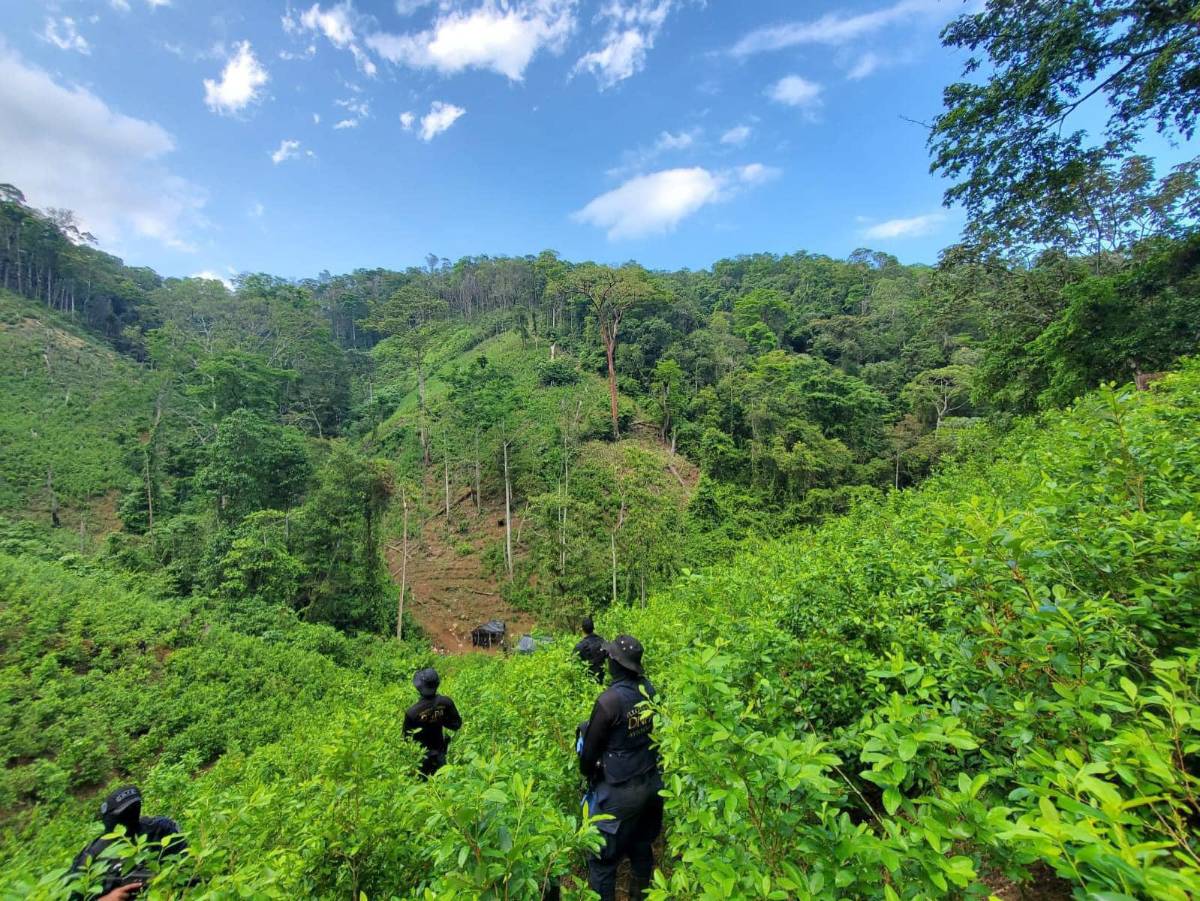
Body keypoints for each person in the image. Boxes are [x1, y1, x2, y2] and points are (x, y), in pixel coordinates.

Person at [578, 634, 662, 901]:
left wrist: (590, 773)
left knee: (602, 862)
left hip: (619, 792)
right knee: (641, 847)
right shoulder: (649, 690)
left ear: (616, 664)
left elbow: (588, 757)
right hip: (651, 783)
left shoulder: (609, 702)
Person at [66, 785, 187, 901]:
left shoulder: (160, 830)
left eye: (134, 807)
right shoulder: (92, 855)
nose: (131, 813)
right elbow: (72, 895)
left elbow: (187, 869)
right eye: (125, 811)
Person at [404, 667, 462, 777]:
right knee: (442, 782)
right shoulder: (446, 702)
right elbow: (456, 725)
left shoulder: (412, 712)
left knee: (423, 784)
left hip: (421, 758)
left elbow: (406, 739)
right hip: (440, 753)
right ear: (437, 684)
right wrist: (438, 718)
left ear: (419, 687)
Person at [573, 616, 606, 682]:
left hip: (587, 682)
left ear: (582, 629)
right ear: (593, 628)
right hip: (602, 680)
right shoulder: (603, 641)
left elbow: (573, 664)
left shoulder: (580, 646)